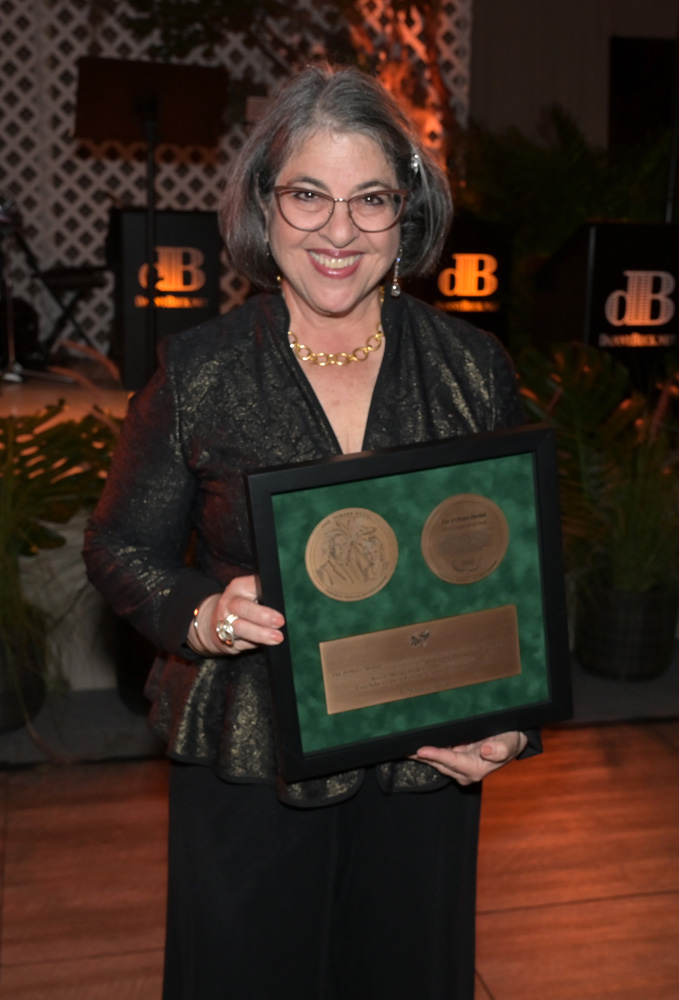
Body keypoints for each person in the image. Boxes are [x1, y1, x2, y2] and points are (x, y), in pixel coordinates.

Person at [84, 64, 540, 1000]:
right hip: (253, 751)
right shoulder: (199, 370)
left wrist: (508, 726)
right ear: (265, 204)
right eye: (308, 196)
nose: (338, 232)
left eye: (369, 199)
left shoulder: (471, 367)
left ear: (406, 210)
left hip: (424, 753)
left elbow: (518, 571)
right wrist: (204, 613)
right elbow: (118, 548)